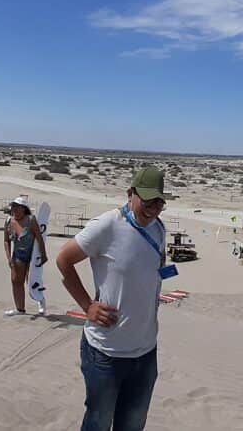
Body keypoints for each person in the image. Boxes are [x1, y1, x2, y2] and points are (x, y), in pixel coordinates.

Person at [54, 166, 174, 431]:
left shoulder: (159, 229)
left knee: (132, 425)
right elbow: (63, 260)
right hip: (105, 353)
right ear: (130, 194)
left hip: (145, 353)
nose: (153, 209)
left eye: (159, 203)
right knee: (98, 422)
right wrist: (87, 306)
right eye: (147, 201)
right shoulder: (108, 225)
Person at [2, 196, 45, 317]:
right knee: (16, 281)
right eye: (13, 206)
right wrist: (8, 258)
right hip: (18, 256)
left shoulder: (31, 220)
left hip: (31, 255)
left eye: (17, 207)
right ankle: (20, 309)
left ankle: (41, 304)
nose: (14, 209)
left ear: (23, 209)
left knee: (32, 282)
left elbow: (39, 238)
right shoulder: (9, 221)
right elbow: (6, 240)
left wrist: (43, 255)